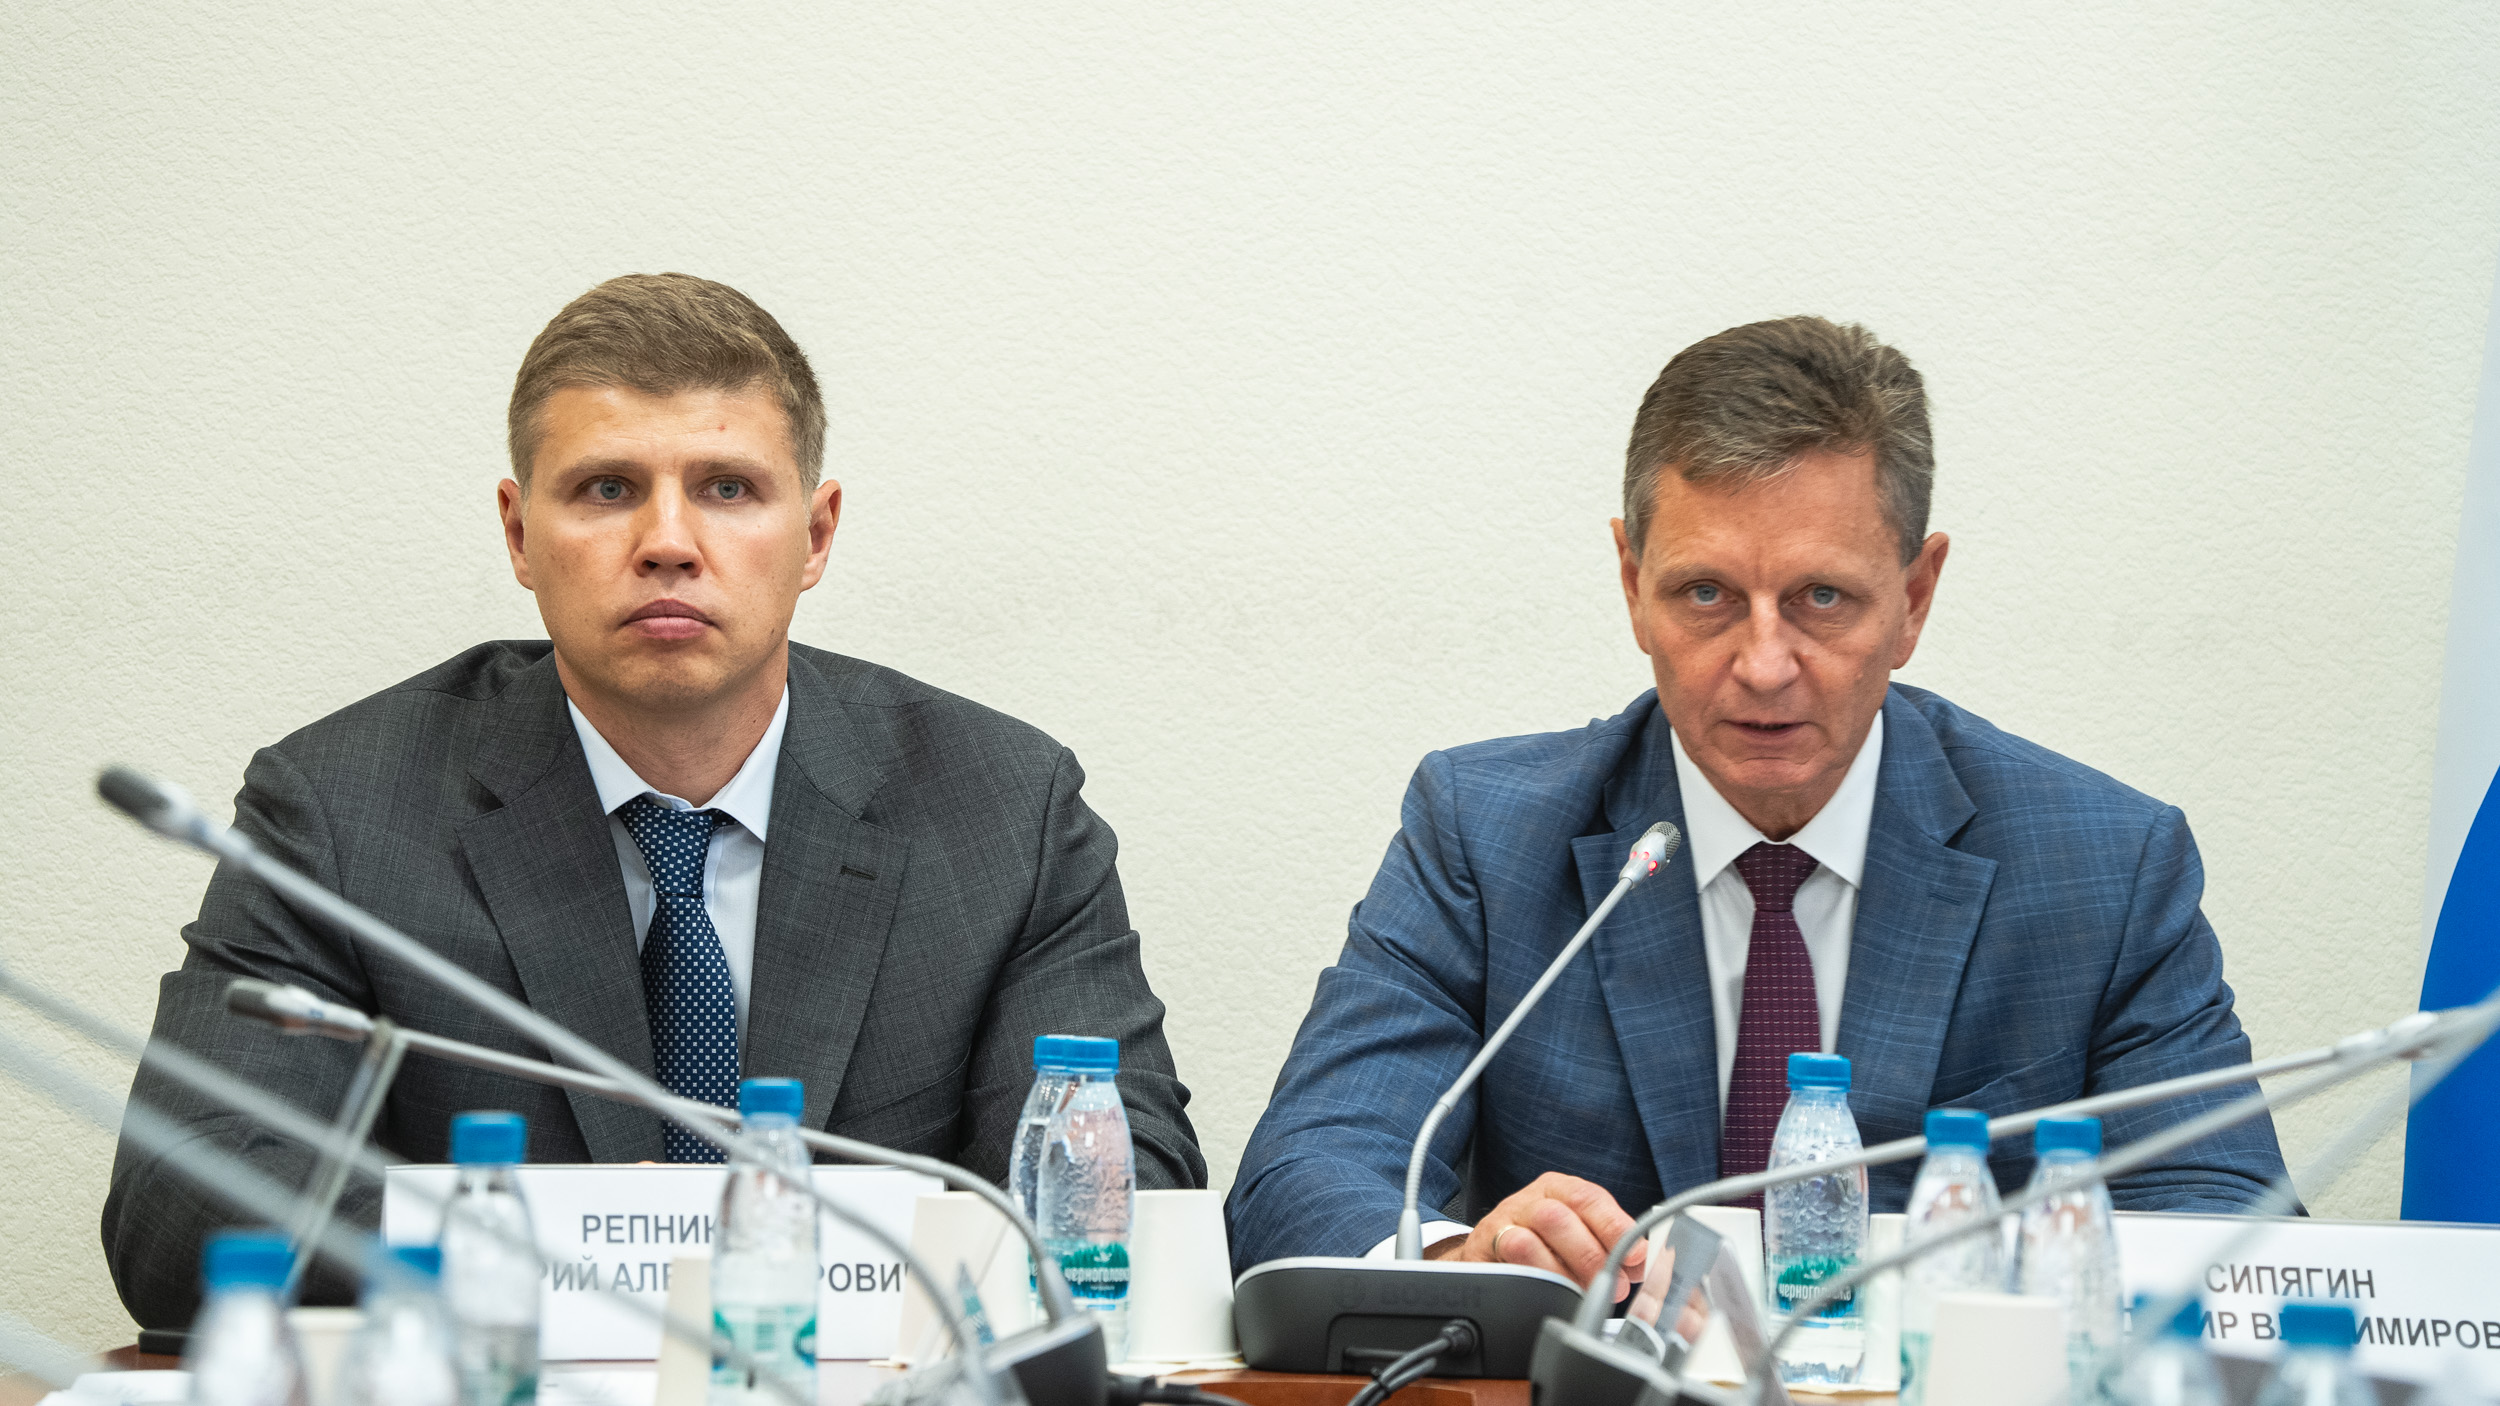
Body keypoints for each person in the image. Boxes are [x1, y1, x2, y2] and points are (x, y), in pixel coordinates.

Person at [103, 273, 1205, 1330]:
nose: (668, 543)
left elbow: (1124, 1193)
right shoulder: (346, 810)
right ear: (519, 533)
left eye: (727, 489)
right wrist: (561, 1246)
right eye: (607, 489)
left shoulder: (1000, 809)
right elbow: (180, 1206)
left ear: (815, 535)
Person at [1225, 316, 2287, 1290]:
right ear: (1631, 582)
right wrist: (1464, 1262)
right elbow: (1306, 1170)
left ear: (1913, 598)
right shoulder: (1486, 832)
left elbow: (2228, 1225)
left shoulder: (2102, 865)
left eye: (1821, 597)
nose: (1765, 664)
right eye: (1707, 594)